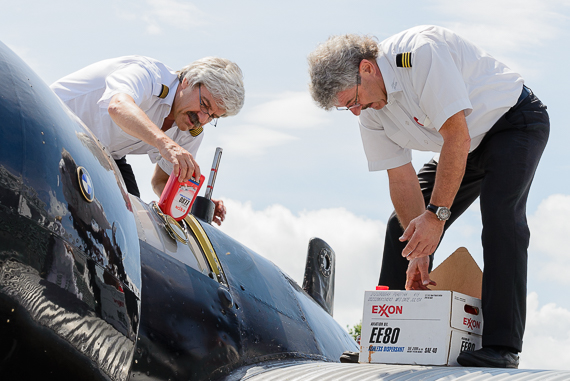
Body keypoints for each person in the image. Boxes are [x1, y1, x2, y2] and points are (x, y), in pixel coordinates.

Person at [308, 25, 549, 368]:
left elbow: (456, 135)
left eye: (353, 100)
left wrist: (436, 216)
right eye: (346, 108)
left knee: (499, 216)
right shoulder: (371, 112)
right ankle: (383, 339)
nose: (357, 112)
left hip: (512, 123)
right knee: (403, 228)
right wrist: (418, 254)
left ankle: (502, 345)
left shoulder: (418, 56)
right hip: (463, 145)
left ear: (366, 68)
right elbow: (401, 178)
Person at [51, 55, 245, 225]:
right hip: (54, 124)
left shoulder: (190, 132)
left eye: (212, 116)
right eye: (204, 105)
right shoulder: (148, 74)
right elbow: (118, 106)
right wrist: (165, 143)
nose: (202, 119)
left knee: (130, 223)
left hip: (102, 153)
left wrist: (190, 204)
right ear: (188, 81)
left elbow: (160, 181)